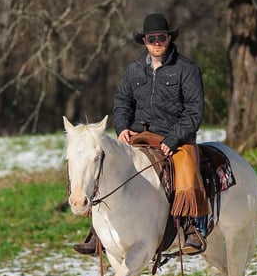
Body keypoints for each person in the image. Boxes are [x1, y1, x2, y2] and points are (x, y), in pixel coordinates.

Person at [74, 13, 209, 255]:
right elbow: (122, 103)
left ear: (169, 38)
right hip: (138, 136)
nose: (157, 42)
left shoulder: (186, 69)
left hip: (175, 138)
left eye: (161, 37)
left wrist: (174, 137)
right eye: (151, 38)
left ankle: (191, 228)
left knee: (187, 170)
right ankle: (98, 233)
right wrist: (123, 127)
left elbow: (194, 110)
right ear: (144, 41)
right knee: (106, 166)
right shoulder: (133, 71)